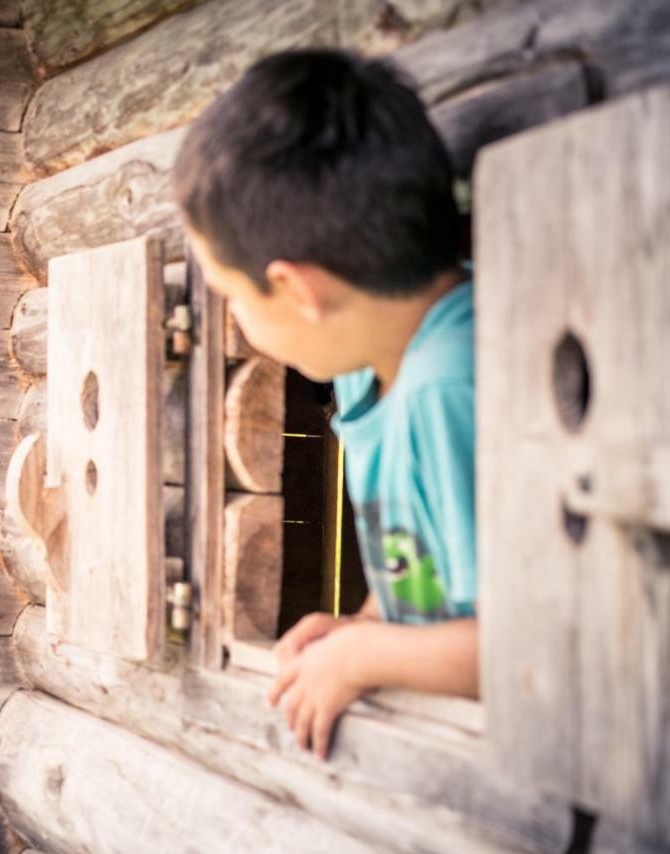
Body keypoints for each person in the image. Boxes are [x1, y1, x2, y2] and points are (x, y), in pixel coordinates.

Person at [174, 49, 477, 760]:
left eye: (231, 296)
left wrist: (364, 660)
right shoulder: (368, 370)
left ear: (298, 289)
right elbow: (431, 563)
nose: (236, 320)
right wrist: (366, 627)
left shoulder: (450, 386)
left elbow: (531, 652)